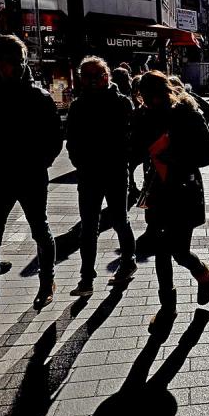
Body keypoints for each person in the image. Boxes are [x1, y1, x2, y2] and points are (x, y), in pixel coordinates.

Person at [0, 35, 62, 332]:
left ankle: (46, 281)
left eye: (14, 63)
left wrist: (39, 162)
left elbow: (54, 139)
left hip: (29, 175)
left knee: (40, 229)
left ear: (22, 62)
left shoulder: (38, 96)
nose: (9, 69)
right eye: (3, 63)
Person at [133, 71, 209, 332]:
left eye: (153, 95)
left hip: (184, 189)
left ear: (166, 91)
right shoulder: (144, 116)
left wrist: (174, 157)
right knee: (161, 250)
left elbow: (207, 155)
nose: (149, 101)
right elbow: (135, 148)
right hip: (158, 190)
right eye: (144, 96)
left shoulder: (187, 114)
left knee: (178, 250)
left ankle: (203, 272)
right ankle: (167, 308)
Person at [65, 56, 138, 297]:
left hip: (115, 170)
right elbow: (72, 138)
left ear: (107, 76)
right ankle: (86, 278)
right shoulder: (78, 105)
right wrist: (78, 161)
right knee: (88, 226)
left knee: (119, 220)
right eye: (87, 76)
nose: (93, 80)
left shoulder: (121, 103)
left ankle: (128, 262)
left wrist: (123, 158)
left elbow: (131, 136)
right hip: (88, 173)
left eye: (98, 75)